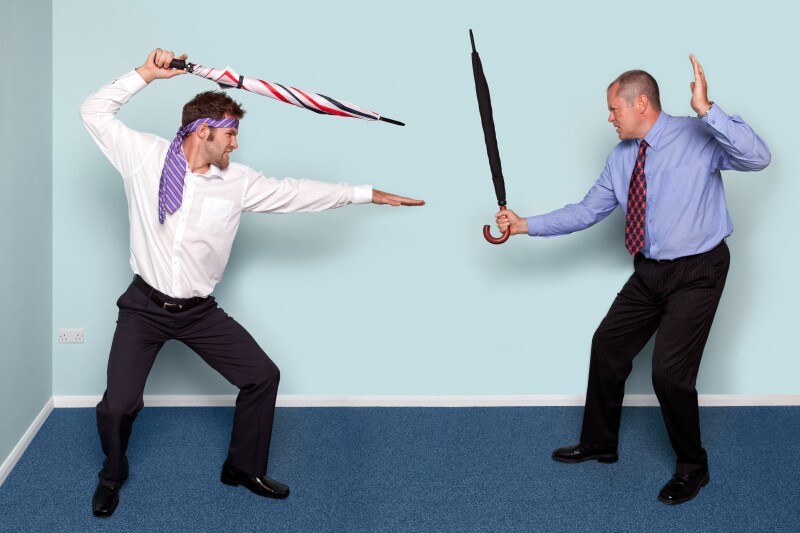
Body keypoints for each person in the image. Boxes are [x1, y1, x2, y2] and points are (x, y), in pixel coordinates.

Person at [80, 48, 424, 518]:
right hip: (143, 307)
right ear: (203, 131)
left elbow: (297, 193)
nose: (236, 145)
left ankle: (242, 468)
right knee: (118, 406)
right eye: (231, 134)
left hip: (199, 312)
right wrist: (145, 74)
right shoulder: (143, 157)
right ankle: (111, 476)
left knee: (262, 377)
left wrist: (364, 194)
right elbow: (93, 111)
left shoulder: (237, 182)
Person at [495, 55, 770, 505]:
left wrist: (707, 109)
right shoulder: (622, 158)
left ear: (640, 103)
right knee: (607, 346)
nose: (608, 118)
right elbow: (587, 211)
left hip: (699, 270)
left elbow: (758, 158)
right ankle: (600, 442)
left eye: (613, 109)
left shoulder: (697, 134)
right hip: (650, 271)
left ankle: (692, 467)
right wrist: (524, 224)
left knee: (669, 373)